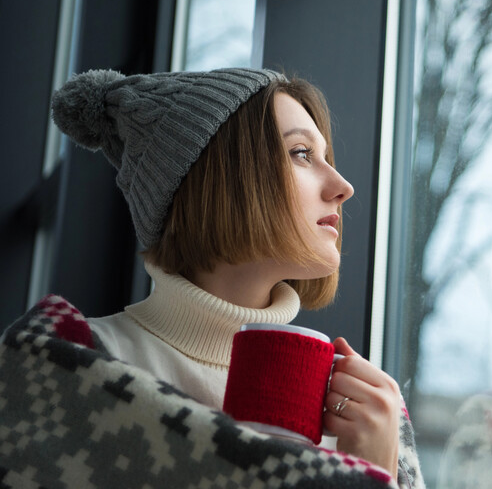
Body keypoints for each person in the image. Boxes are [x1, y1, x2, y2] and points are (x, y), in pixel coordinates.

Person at [0, 68, 423, 488]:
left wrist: (377, 468)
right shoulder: (62, 373)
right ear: (219, 176)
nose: (343, 186)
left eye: (325, 158)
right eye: (301, 153)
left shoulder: (367, 412)